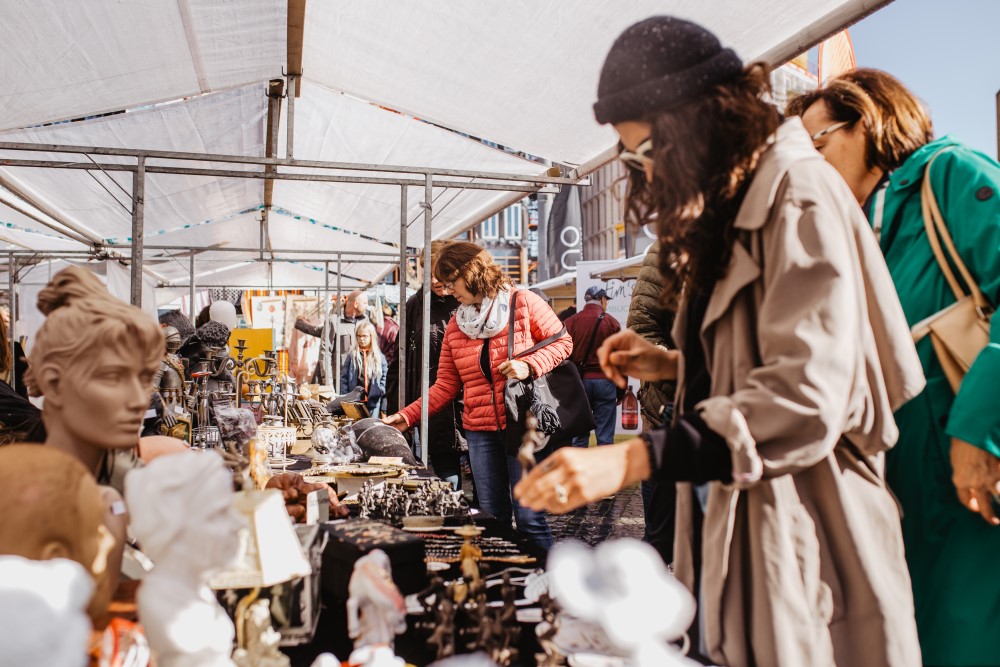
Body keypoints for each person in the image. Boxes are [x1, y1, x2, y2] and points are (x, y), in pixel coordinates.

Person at [515, 17, 925, 666]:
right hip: (738, 522)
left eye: (644, 152)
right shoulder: (741, 202)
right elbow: (766, 363)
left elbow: (808, 394)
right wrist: (677, 364)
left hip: (806, 530)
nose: (641, 173)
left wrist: (630, 459)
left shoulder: (798, 195)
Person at [788, 69, 1000, 667]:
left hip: (966, 480)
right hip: (905, 493)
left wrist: (978, 430)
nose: (809, 164)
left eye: (818, 143)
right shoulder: (859, 229)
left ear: (867, 123)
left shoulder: (951, 175)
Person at [384, 241, 571, 550]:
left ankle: (548, 586)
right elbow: (444, 385)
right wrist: (406, 416)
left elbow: (563, 342)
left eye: (449, 280)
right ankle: (505, 584)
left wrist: (529, 365)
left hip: (522, 426)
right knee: (492, 518)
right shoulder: (458, 326)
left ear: (469, 273)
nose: (445, 288)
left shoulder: (523, 302)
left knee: (529, 517)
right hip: (480, 431)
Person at [626, 242, 677, 565]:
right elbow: (642, 329)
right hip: (668, 406)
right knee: (661, 535)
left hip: (741, 416)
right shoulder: (666, 252)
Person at [402, 240, 465, 488]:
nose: (436, 280)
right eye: (429, 274)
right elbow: (401, 359)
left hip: (470, 404)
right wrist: (401, 407)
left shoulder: (468, 303)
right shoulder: (416, 304)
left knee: (485, 482)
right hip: (433, 404)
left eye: (441, 273)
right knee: (445, 473)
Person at [564, 286, 621, 447]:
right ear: (602, 300)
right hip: (605, 382)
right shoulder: (612, 323)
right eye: (606, 301)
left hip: (580, 384)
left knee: (579, 438)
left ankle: (578, 472)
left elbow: (563, 357)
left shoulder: (570, 322)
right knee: (605, 439)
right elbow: (620, 360)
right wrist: (621, 391)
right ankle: (603, 472)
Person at [341, 320, 387, 419]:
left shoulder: (379, 357)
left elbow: (384, 380)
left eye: (365, 336)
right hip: (354, 402)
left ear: (371, 336)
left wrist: (381, 398)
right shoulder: (352, 356)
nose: (362, 339)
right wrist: (345, 398)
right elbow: (344, 379)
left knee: (371, 429)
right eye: (359, 336)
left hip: (373, 403)